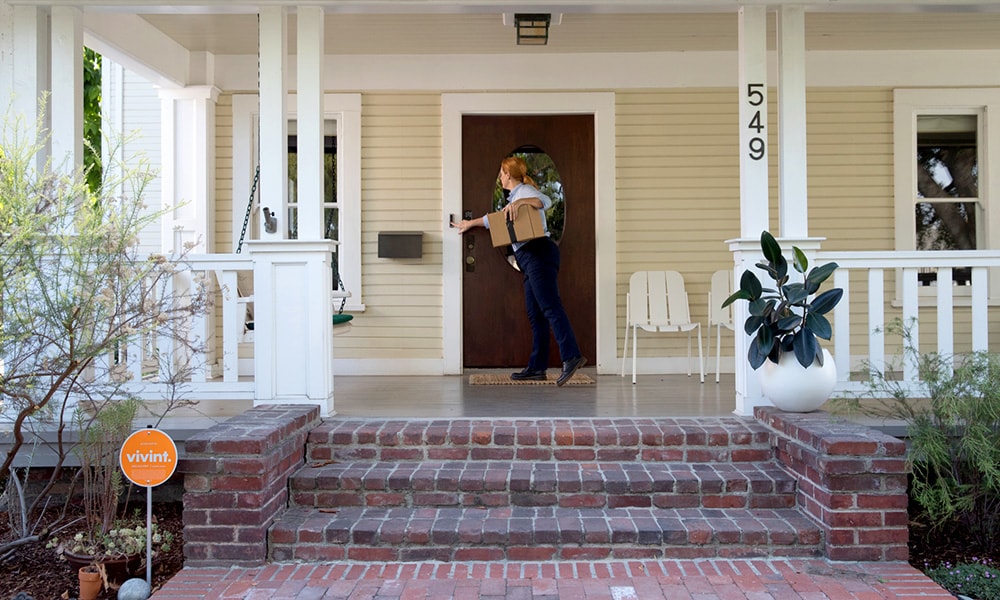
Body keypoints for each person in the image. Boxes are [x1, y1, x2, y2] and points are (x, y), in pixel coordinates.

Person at [454, 156, 586, 386]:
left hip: (537, 252)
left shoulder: (524, 191)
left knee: (550, 306)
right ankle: (537, 368)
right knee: (536, 315)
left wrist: (521, 204)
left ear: (507, 174)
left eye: (501, 173)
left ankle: (572, 355)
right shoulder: (514, 197)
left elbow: (544, 200)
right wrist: (470, 224)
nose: (499, 177)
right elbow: (491, 220)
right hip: (529, 257)